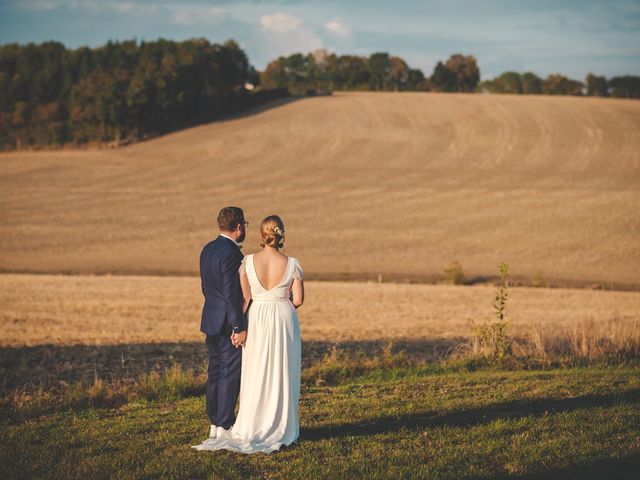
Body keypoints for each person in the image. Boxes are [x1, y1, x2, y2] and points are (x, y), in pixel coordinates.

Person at [192, 214, 304, 454]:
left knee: (250, 371)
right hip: (282, 318)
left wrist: (240, 325)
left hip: (251, 319)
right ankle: (275, 424)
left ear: (261, 235)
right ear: (281, 234)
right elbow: (299, 299)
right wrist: (282, 309)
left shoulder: (243, 260)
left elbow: (244, 298)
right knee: (280, 370)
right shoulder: (292, 264)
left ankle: (223, 423)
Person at [198, 206, 248, 439]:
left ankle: (214, 423)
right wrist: (239, 327)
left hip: (210, 319)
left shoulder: (207, 249)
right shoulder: (232, 254)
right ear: (238, 227)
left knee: (215, 372)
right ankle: (225, 424)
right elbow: (232, 294)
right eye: (245, 225)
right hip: (228, 323)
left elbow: (206, 288)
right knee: (230, 372)